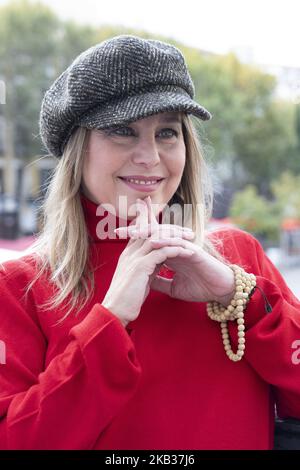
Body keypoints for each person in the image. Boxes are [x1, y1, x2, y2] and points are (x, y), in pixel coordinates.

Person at [0, 34, 299, 451]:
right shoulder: (18, 287)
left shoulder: (239, 258)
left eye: (167, 133)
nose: (150, 156)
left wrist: (240, 297)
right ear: (76, 151)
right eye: (122, 130)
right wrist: (110, 321)